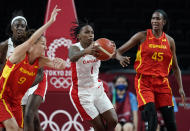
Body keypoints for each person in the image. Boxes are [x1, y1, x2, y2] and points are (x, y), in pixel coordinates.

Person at [116, 9, 186, 131]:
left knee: (171, 123)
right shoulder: (142, 36)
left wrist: (180, 88)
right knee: (152, 117)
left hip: (162, 84)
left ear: (164, 22)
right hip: (144, 82)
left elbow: (175, 67)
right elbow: (118, 51)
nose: (154, 21)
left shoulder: (170, 41)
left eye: (158, 18)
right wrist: (120, 58)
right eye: (153, 18)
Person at [0, 6, 65, 131]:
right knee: (12, 128)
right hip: (2, 96)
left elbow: (57, 64)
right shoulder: (18, 53)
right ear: (32, 45)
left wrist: (61, 64)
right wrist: (50, 22)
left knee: (21, 127)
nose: (46, 48)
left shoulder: (39, 61)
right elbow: (30, 41)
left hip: (16, 100)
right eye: (43, 44)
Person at [0, 13, 47, 131]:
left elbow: (40, 73)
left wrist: (23, 86)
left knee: (31, 115)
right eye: (17, 26)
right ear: (12, 28)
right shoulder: (4, 46)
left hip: (32, 82)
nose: (20, 28)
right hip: (10, 86)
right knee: (6, 122)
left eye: (23, 26)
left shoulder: (31, 45)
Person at [69, 21, 118, 131]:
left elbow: (111, 54)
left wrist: (114, 53)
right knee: (100, 128)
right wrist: (87, 51)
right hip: (81, 93)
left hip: (97, 89)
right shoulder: (75, 48)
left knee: (113, 121)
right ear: (79, 36)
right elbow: (72, 57)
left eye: (92, 32)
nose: (91, 35)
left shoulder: (99, 46)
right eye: (87, 32)